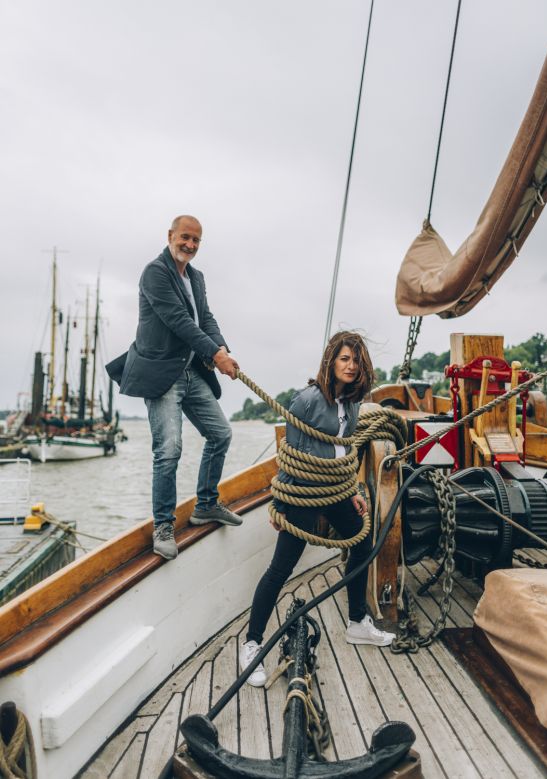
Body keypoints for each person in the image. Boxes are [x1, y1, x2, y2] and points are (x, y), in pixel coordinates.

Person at [239, 331, 395, 687]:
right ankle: (251, 643)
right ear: (330, 361)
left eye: (355, 360)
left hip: (336, 491)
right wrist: (281, 505)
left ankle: (357, 622)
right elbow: (290, 458)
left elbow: (345, 453)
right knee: (281, 569)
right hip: (304, 492)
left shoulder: (353, 403)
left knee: (362, 541)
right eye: (344, 359)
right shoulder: (307, 401)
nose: (350, 366)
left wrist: (354, 489)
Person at [106, 215, 242, 561]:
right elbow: (178, 322)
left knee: (221, 434)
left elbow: (204, 318)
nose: (191, 246)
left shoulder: (196, 277)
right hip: (160, 371)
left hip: (189, 369)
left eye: (197, 241)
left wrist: (222, 349)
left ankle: (206, 504)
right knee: (169, 449)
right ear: (170, 236)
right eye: (185, 238)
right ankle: (163, 525)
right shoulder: (155, 273)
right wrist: (214, 353)